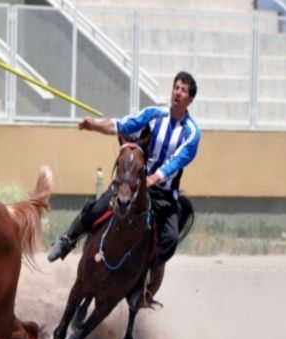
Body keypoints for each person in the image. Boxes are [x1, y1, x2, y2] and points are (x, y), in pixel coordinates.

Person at [48, 72, 200, 294]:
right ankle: (68, 240)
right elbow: (121, 126)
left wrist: (152, 180)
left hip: (163, 195)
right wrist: (95, 126)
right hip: (136, 185)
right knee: (98, 207)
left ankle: (144, 278)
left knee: (170, 239)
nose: (178, 92)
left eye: (183, 90)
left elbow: (174, 164)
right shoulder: (153, 115)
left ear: (190, 99)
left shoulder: (192, 133)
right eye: (176, 87)